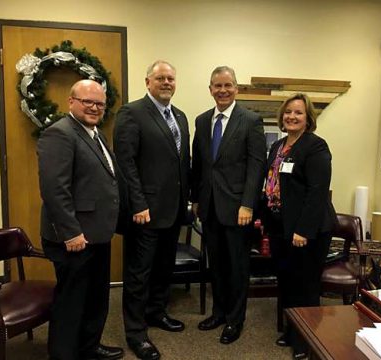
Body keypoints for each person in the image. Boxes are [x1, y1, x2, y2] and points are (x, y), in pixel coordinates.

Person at [37, 79, 124, 360]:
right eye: (88, 101)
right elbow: (54, 188)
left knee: (96, 297)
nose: (94, 107)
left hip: (97, 234)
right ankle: (64, 354)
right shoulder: (59, 134)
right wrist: (71, 232)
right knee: (71, 302)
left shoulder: (94, 133)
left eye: (99, 103)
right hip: (74, 238)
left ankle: (89, 347)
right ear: (71, 102)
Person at [113, 60, 190, 360]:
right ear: (148, 82)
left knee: (163, 269)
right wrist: (138, 203)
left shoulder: (180, 116)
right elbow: (126, 163)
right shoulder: (131, 113)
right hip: (144, 212)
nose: (166, 83)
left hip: (173, 211)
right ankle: (136, 333)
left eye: (171, 78)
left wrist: (189, 199)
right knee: (138, 274)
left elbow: (182, 162)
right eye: (160, 78)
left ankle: (157, 312)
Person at [191, 66, 266, 344]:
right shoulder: (201, 120)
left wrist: (248, 204)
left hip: (238, 210)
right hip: (209, 207)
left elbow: (256, 167)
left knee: (237, 267)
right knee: (217, 266)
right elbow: (198, 164)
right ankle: (219, 313)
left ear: (236, 88)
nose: (222, 90)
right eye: (217, 86)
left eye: (228, 85)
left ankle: (236, 320)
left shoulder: (250, 120)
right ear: (210, 88)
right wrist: (196, 199)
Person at [263, 93, 337, 359]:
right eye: (288, 112)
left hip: (307, 231)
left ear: (308, 119)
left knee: (305, 286)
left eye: (298, 113)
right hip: (280, 227)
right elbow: (272, 184)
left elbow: (317, 192)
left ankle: (307, 342)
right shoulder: (278, 145)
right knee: (287, 282)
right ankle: (293, 331)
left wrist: (303, 231)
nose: (292, 117)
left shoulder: (316, 147)